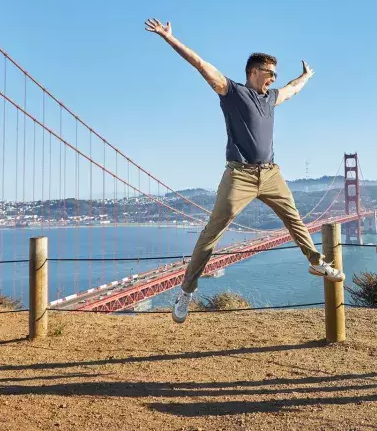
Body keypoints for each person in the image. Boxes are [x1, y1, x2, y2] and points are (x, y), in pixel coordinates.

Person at [144, 18, 345, 324]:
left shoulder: (271, 98)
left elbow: (292, 89)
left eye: (275, 74)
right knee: (212, 234)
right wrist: (170, 38)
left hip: (271, 173)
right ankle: (186, 291)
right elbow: (200, 64)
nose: (273, 78)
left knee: (295, 220)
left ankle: (316, 263)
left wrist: (305, 76)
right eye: (269, 73)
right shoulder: (233, 92)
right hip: (239, 175)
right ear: (253, 72)